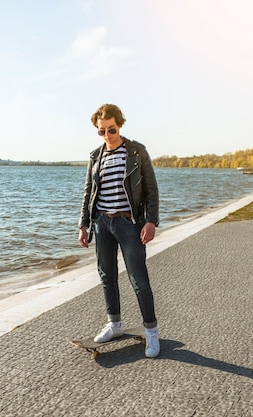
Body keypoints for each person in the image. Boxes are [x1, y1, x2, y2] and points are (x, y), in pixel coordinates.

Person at [78, 103, 161, 358]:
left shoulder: (136, 152)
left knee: (139, 279)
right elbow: (89, 193)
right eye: (101, 131)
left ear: (120, 125)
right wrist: (84, 224)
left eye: (111, 130)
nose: (107, 136)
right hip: (102, 224)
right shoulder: (95, 156)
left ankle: (151, 333)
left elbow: (151, 191)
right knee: (107, 276)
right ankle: (114, 324)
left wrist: (151, 221)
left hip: (129, 224)